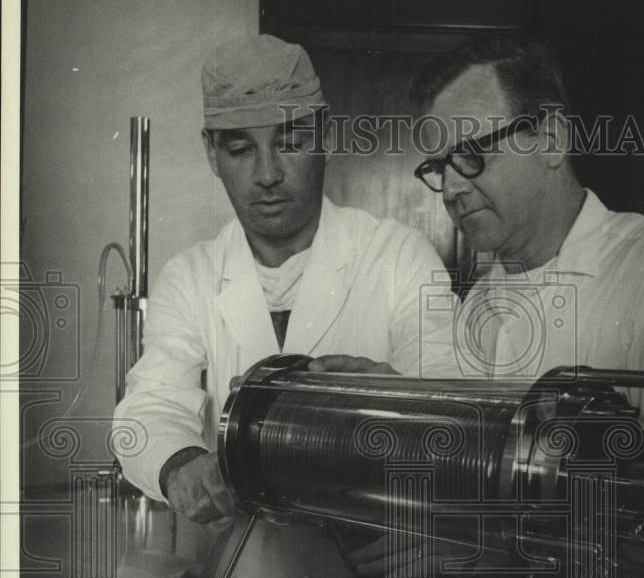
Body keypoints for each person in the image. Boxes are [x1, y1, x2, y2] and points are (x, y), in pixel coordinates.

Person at [409, 36, 644, 578]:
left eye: (472, 155)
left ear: (551, 139)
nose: (451, 187)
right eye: (439, 166)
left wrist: (487, 544)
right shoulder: (482, 295)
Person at [113, 34, 457, 524]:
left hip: (371, 549)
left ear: (326, 138)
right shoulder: (190, 276)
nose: (268, 174)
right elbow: (151, 403)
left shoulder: (399, 256)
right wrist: (181, 466)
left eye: (290, 143)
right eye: (240, 149)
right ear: (212, 154)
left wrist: (400, 397)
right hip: (239, 558)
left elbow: (457, 401)